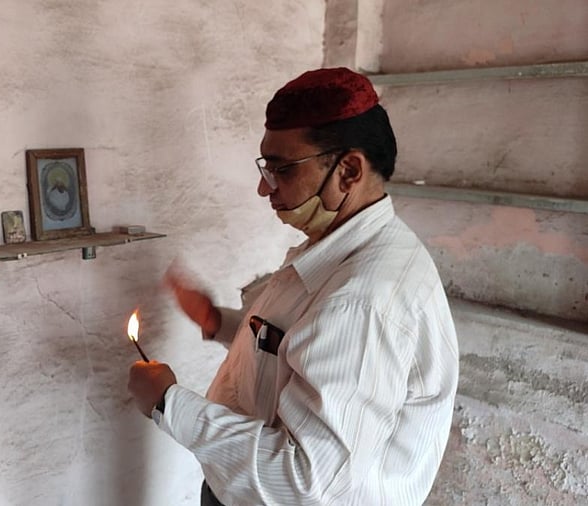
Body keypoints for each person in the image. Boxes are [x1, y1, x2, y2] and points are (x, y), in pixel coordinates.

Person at [127, 67, 459, 505]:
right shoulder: (343, 249)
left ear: (348, 171)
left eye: (281, 169)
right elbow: (299, 345)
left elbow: (306, 481)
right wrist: (218, 321)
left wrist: (169, 404)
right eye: (266, 167)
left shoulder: (361, 302)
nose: (263, 187)